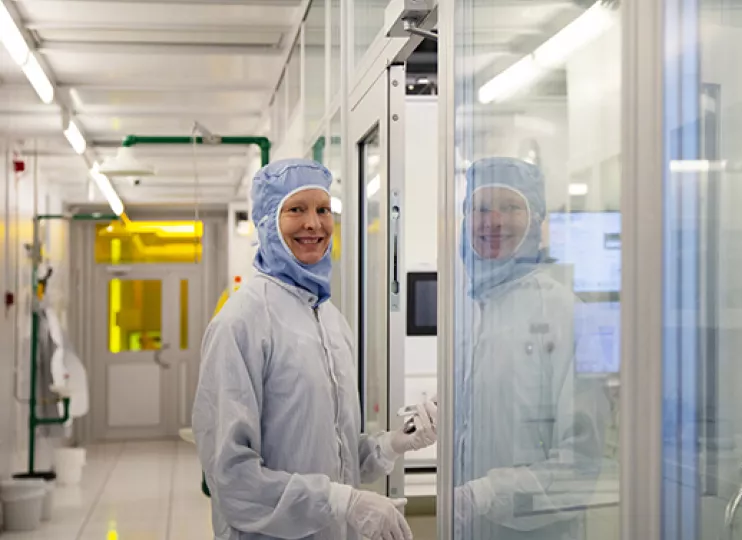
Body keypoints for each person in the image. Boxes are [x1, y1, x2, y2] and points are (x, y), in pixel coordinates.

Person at [192, 158, 437, 540]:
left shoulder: (331, 320)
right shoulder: (241, 322)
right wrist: (343, 502)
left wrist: (390, 444)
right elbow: (232, 478)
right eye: (296, 210)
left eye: (323, 209)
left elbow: (333, 453)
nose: (313, 224)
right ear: (268, 221)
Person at [453, 157, 610, 540]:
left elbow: (582, 461)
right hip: (465, 527)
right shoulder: (464, 306)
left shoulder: (566, 312)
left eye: (510, 207)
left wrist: (493, 492)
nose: (493, 222)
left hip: (538, 529)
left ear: (537, 220)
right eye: (481, 208)